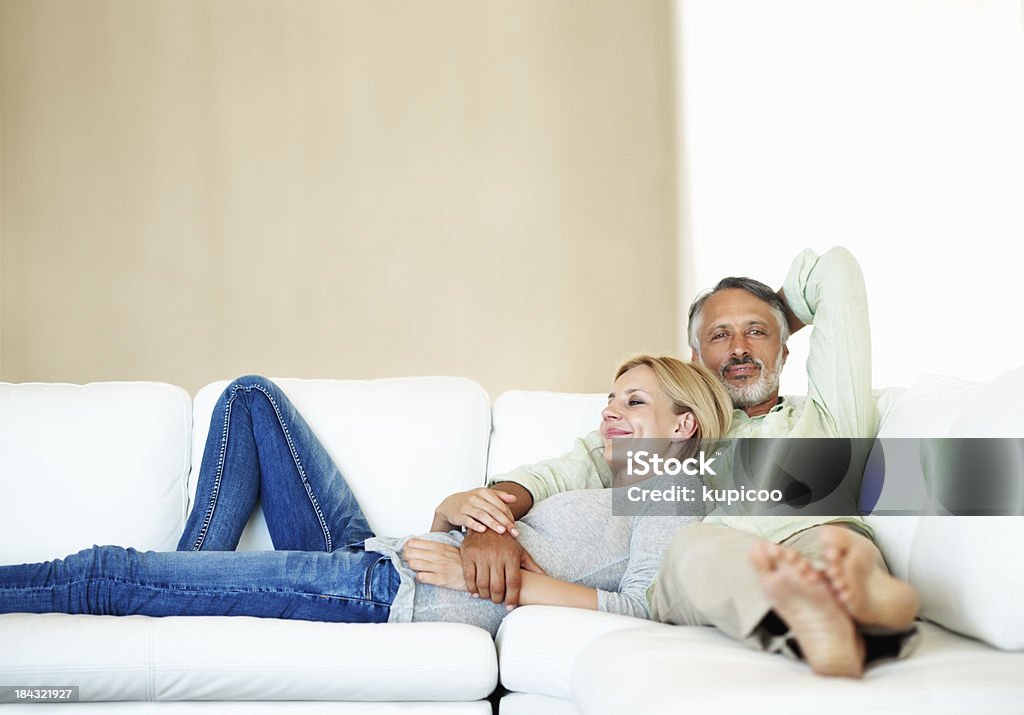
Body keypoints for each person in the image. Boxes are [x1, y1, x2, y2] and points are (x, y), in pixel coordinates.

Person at [0, 356, 732, 637]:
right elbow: (494, 511)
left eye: (632, 401)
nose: (609, 412)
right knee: (252, 396)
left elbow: (644, 606)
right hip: (373, 554)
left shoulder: (672, 490)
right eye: (609, 398)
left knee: (110, 571)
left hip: (384, 588)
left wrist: (505, 581)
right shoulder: (598, 477)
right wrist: (456, 514)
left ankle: (175, 584)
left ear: (685, 423)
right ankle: (185, 579)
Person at [456, 247, 918, 677]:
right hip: (716, 563)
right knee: (693, 548)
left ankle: (851, 610)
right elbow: (546, 477)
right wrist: (487, 524)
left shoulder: (831, 416)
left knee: (840, 550)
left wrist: (772, 313)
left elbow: (835, 270)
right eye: (721, 336)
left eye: (756, 333)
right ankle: (825, 618)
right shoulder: (674, 429)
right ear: (695, 359)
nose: (739, 348)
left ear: (786, 347)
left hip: (820, 539)